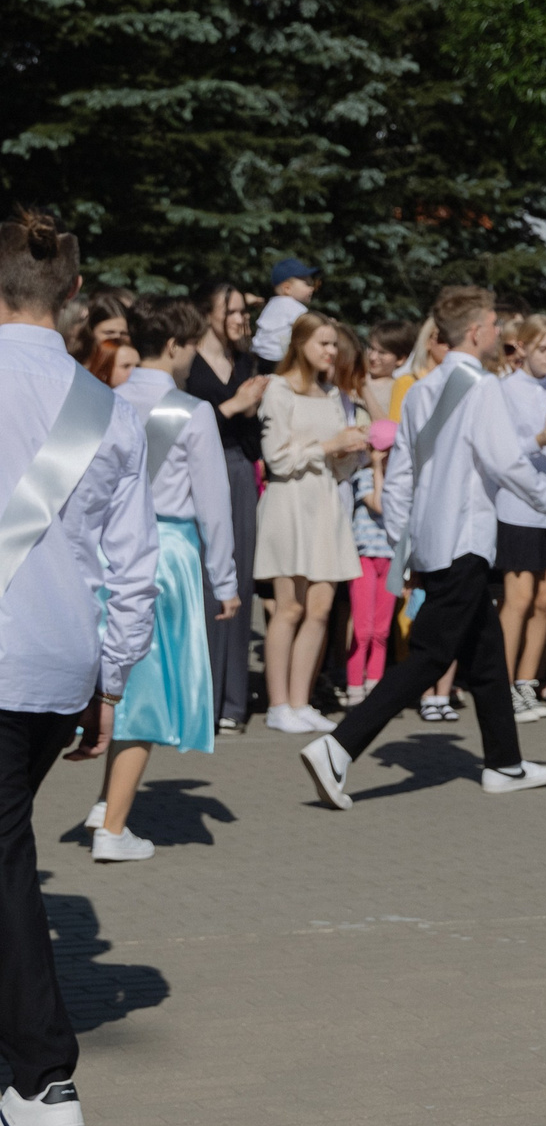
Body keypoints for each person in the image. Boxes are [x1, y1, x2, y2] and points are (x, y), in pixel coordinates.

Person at [0, 212, 154, 1126]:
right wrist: (110, 682)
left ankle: (40, 1078)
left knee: (7, 864)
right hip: (61, 662)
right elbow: (132, 569)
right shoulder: (109, 408)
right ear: (73, 293)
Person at [299, 287, 546, 809]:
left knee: (486, 657)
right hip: (465, 541)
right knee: (430, 656)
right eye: (494, 324)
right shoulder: (483, 387)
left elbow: (401, 479)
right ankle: (338, 746)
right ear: (476, 331)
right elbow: (505, 462)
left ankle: (504, 763)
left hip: (436, 542)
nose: (499, 332)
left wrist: (407, 541)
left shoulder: (421, 391)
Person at [85, 295, 238, 864]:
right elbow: (213, 504)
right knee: (144, 693)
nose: (194, 355)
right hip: (165, 552)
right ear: (174, 345)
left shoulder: (102, 401)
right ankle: (113, 829)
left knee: (117, 681)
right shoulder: (192, 411)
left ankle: (106, 802)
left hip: (103, 550)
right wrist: (225, 579)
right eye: (192, 344)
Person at [254, 314, 365, 732]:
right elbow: (278, 459)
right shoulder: (279, 389)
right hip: (290, 502)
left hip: (325, 502)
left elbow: (338, 466)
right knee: (289, 607)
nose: (331, 351)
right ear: (300, 344)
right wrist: (329, 445)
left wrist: (349, 450)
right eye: (323, 343)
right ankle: (278, 703)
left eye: (334, 344)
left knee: (320, 608)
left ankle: (300, 702)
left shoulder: (332, 393)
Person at [184, 281, 265, 733]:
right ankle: (203, 698)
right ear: (208, 313)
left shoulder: (246, 362)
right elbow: (183, 424)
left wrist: (250, 412)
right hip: (195, 473)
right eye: (232, 311)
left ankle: (233, 702)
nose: (241, 319)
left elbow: (252, 440)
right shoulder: (188, 363)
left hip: (237, 469)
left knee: (240, 580)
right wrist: (235, 405)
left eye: (243, 311)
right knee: (205, 580)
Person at [489, 315, 546, 718]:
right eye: (543, 348)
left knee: (545, 599)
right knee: (519, 598)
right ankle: (503, 685)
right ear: (522, 348)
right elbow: (502, 453)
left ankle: (527, 682)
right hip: (518, 506)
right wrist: (539, 439)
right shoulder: (503, 390)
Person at [346, 323, 408, 707]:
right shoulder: (365, 477)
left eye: (383, 351)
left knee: (381, 627)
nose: (374, 356)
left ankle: (376, 685)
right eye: (371, 348)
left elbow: (388, 427)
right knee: (362, 625)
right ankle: (355, 683)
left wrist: (366, 391)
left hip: (388, 547)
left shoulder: (400, 389)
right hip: (364, 545)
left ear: (400, 358)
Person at [250, 257, 316, 363]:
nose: (312, 288)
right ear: (287, 289)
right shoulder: (294, 307)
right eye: (307, 284)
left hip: (259, 355)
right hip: (278, 358)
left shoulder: (271, 304)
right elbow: (311, 326)